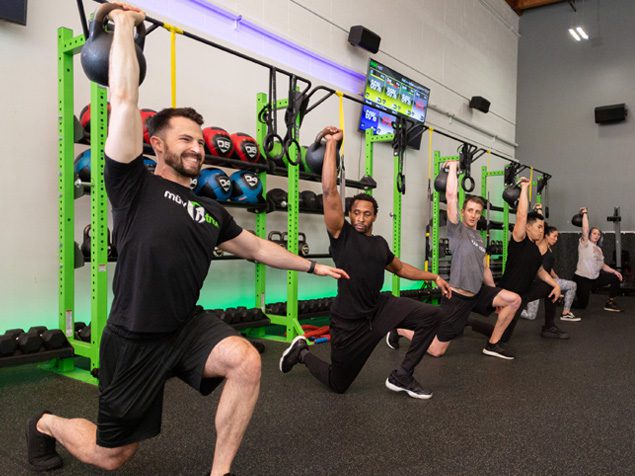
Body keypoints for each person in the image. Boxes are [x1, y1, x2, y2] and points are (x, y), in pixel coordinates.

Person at [26, 5, 348, 475]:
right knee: (111, 456)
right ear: (156, 145)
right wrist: (127, 30)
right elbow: (123, 100)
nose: (196, 147)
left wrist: (315, 266)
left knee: (245, 361)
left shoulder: (212, 210)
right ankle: (46, 423)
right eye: (185, 139)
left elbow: (258, 248)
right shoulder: (132, 185)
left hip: (185, 326)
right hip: (134, 336)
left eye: (199, 140)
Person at [279, 126, 452, 400]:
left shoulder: (380, 244)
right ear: (349, 215)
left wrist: (434, 277)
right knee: (338, 383)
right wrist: (333, 144)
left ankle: (403, 375)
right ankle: (301, 353)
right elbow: (327, 190)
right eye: (356, 213)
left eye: (366, 214)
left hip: (379, 308)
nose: (360, 218)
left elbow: (402, 269)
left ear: (374, 217)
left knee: (434, 315)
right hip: (349, 321)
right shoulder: (341, 234)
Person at [387, 160, 521, 359]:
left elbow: (483, 267)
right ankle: (399, 329)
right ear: (463, 211)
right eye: (470, 210)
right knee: (436, 350)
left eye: (477, 211)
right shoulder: (457, 231)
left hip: (478, 293)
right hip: (457, 298)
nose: (474, 215)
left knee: (514, 300)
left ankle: (492, 345)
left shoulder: (480, 237)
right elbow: (450, 196)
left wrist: (494, 295)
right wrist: (452, 170)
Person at [520, 223, 580, 322]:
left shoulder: (549, 249)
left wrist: (556, 278)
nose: (556, 239)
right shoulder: (540, 245)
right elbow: (541, 229)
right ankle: (510, 308)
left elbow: (548, 267)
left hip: (548, 280)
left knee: (572, 285)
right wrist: (539, 210)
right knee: (531, 315)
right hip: (536, 283)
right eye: (554, 236)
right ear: (546, 236)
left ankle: (566, 313)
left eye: (557, 236)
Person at [573, 207, 623, 312]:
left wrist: (615, 271)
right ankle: (563, 300)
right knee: (582, 305)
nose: (596, 235)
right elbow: (585, 229)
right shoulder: (585, 244)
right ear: (590, 234)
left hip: (595, 279)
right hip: (582, 279)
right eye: (594, 233)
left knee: (615, 277)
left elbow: (602, 265)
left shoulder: (599, 249)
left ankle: (610, 302)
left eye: (598, 234)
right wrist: (585, 213)